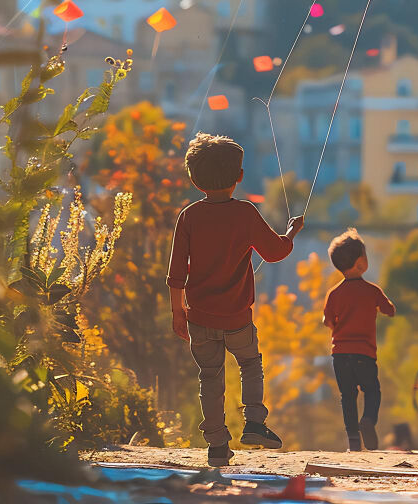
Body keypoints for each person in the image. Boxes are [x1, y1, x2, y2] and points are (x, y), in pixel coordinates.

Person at [167, 132, 304, 467]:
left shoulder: (189, 216)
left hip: (199, 317)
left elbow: (175, 273)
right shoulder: (245, 213)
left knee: (210, 377)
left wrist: (177, 312)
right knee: (250, 364)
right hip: (238, 317)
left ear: (193, 178)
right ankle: (255, 422)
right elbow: (274, 253)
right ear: (240, 177)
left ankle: (216, 445)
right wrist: (291, 232)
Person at [323, 228, 396, 451]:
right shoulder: (372, 291)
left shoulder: (334, 293)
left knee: (348, 396)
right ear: (361, 263)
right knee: (372, 391)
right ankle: (368, 421)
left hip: (340, 355)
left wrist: (337, 323)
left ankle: (353, 440)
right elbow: (390, 310)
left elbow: (327, 320)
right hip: (364, 353)